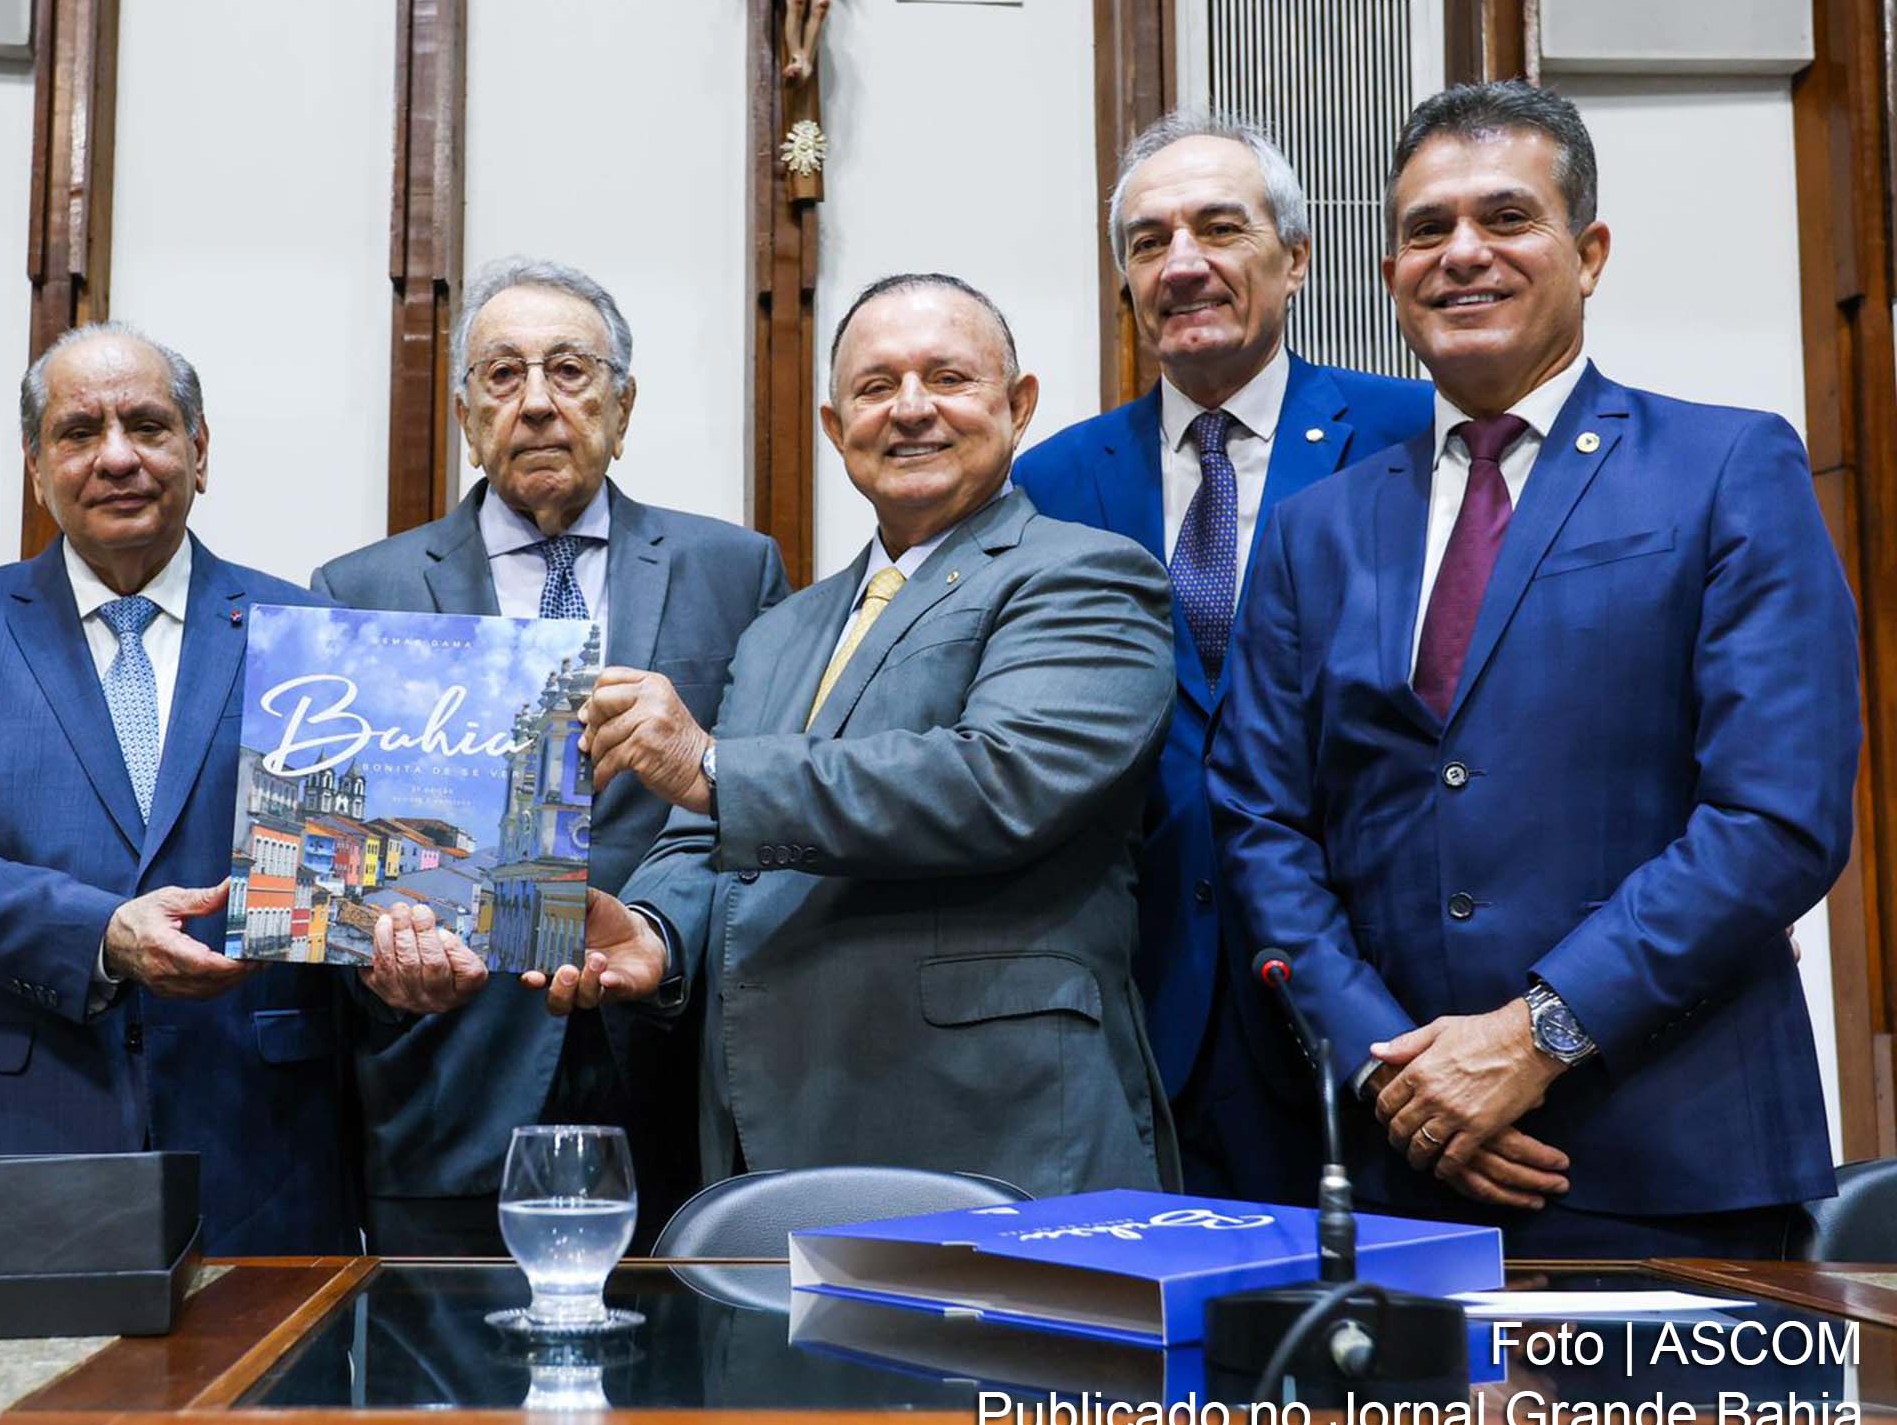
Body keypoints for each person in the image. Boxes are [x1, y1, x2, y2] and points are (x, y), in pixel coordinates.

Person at [1209, 81, 1859, 1257]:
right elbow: (1262, 822)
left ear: (1589, 252)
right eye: (1427, 228)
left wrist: (1536, 1034)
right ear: (1392, 273)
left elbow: (1776, 817)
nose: (1463, 252)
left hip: (1674, 1163)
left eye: (1506, 217)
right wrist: (1391, 1072)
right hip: (1400, 1171)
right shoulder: (1317, 530)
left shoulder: (1727, 467)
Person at [552, 273, 1179, 1197]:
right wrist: (656, 932)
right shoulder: (782, 629)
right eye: (877, 387)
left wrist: (713, 766)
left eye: (949, 378)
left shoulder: (1088, 577)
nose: (911, 409)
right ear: (834, 426)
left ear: (1020, 406)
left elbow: (999, 782)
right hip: (772, 1134)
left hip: (995, 1128)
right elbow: (702, 835)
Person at [0, 322, 476, 1254]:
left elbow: (349, 891)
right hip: (30, 1133)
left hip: (267, 1143)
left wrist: (398, 970)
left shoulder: (307, 632)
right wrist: (103, 935)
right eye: (79, 432)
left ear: (199, 451)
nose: (117, 457)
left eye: (148, 426)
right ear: (36, 466)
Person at [314, 257, 789, 1255]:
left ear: (623, 405)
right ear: (464, 414)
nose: (536, 402)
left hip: (674, 1066)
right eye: (503, 374)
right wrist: (381, 960)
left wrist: (665, 936)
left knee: (691, 1350)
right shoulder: (362, 590)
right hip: (449, 1080)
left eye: (569, 371)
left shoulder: (735, 571)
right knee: (447, 1359)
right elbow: (335, 857)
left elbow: (760, 810)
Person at [1014, 112, 1430, 1203]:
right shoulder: (1054, 480)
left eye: (1219, 228)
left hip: (1377, 999)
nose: (1183, 263)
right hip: (1146, 1006)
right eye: (1149, 242)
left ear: (1296, 259)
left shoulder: (1414, 433)